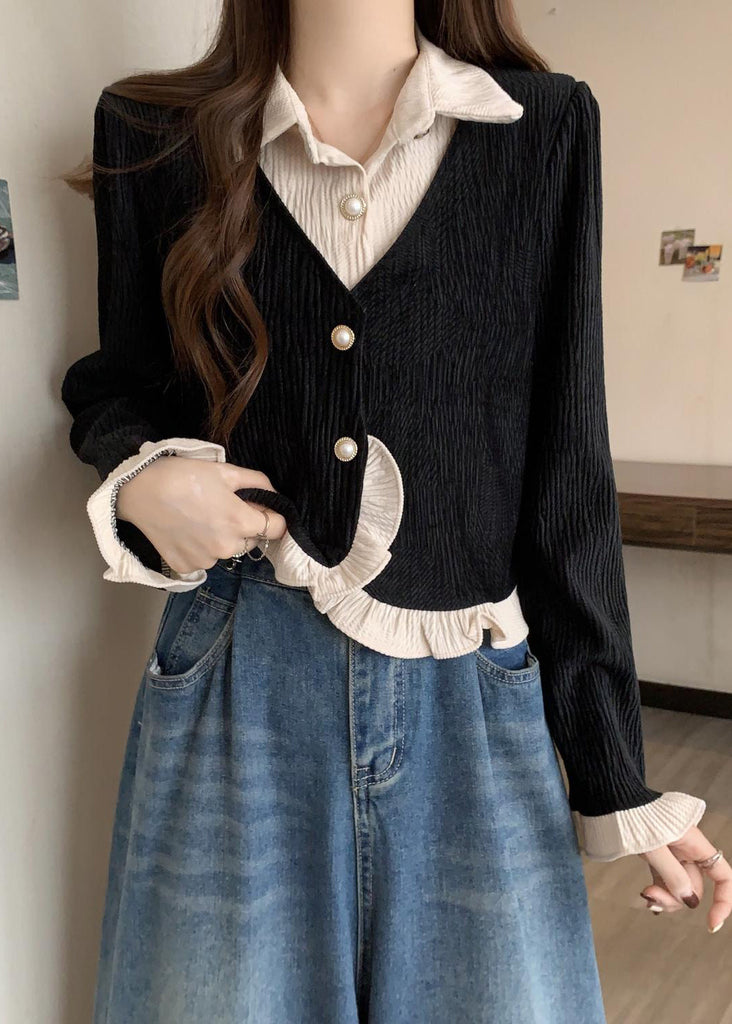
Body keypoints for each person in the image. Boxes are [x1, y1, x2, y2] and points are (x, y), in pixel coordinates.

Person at [60, 1, 730, 1021]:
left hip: (471, 684)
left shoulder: (541, 125)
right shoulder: (154, 133)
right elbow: (119, 385)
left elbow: (566, 465)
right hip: (239, 672)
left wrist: (617, 773)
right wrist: (144, 478)